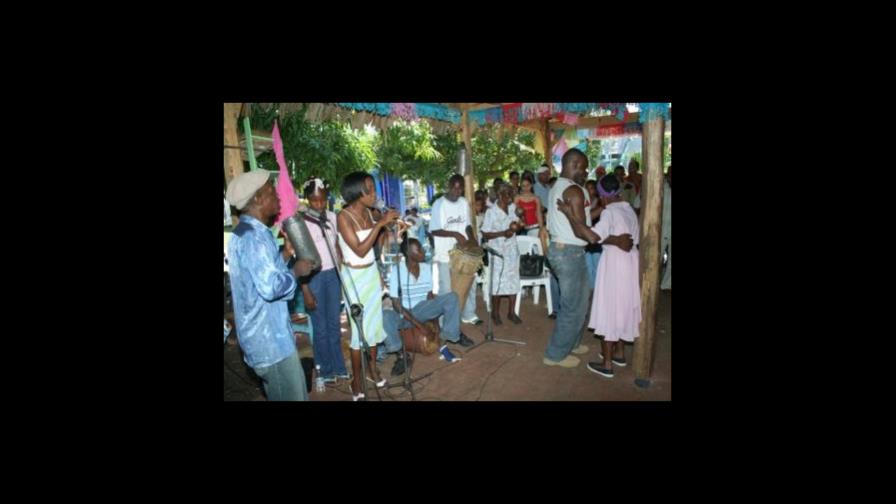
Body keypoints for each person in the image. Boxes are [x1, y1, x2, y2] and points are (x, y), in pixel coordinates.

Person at [225, 170, 314, 401]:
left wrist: (284, 255)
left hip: (264, 340)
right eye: (272, 191)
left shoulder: (247, 233)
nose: (278, 196)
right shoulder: (254, 238)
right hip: (270, 344)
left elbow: (262, 276)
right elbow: (270, 287)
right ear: (258, 198)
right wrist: (296, 271)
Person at [543, 148, 634, 369]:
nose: (586, 172)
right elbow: (581, 232)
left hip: (570, 250)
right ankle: (555, 355)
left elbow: (581, 220)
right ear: (573, 164)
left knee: (580, 303)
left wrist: (598, 209)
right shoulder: (573, 191)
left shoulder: (567, 187)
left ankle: (571, 343)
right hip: (568, 251)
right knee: (573, 306)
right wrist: (612, 239)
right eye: (584, 168)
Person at [556, 174, 641, 378]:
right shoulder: (629, 209)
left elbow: (592, 237)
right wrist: (615, 239)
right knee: (622, 305)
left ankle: (607, 363)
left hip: (614, 264)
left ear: (603, 197)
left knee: (609, 307)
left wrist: (569, 214)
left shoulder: (609, 213)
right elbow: (631, 239)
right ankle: (619, 353)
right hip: (630, 262)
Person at [336, 172, 401, 401]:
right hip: (354, 278)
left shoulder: (369, 213)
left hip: (371, 274)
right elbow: (360, 249)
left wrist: (390, 227)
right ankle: (356, 378)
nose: (375, 194)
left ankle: (372, 370)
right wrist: (381, 224)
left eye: (374, 189)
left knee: (373, 328)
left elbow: (375, 247)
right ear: (357, 193)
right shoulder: (343, 217)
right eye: (370, 190)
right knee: (358, 333)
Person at [381, 238, 467, 375]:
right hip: (403, 313)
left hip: (421, 309)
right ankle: (401, 356)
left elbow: (429, 296)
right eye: (418, 249)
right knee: (385, 316)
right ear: (409, 253)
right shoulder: (397, 271)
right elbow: (397, 306)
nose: (423, 251)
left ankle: (443, 342)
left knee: (452, 297)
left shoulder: (426, 268)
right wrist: (420, 326)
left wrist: (434, 323)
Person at [300, 178, 350, 384]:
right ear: (308, 200)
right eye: (314, 201)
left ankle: (338, 366)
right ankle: (324, 369)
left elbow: (336, 243)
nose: (318, 204)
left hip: (332, 276)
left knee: (334, 325)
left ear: (327, 198)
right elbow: (299, 259)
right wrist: (305, 289)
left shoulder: (332, 217)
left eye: (322, 200)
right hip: (314, 278)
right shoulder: (302, 221)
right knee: (320, 328)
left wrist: (340, 258)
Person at [429, 173, 482, 333]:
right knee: (447, 288)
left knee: (468, 282)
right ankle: (445, 321)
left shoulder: (464, 203)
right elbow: (434, 230)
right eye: (455, 188)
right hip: (445, 253)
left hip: (463, 251)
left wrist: (472, 239)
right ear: (449, 186)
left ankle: (469, 314)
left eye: (460, 189)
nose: (457, 192)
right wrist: (454, 234)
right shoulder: (439, 204)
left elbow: (467, 225)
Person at [481, 182, 523, 325]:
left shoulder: (513, 208)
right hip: (497, 252)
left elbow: (520, 223)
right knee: (497, 283)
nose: (511, 197)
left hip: (512, 250)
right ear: (499, 195)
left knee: (513, 281)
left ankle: (511, 312)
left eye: (511, 193)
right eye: (507, 194)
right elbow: (485, 234)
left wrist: (518, 226)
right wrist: (502, 233)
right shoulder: (491, 212)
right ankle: (495, 313)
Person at [515, 171, 548, 250]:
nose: (526, 188)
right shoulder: (517, 198)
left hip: (534, 227)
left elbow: (539, 214)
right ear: (520, 186)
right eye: (523, 186)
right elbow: (515, 214)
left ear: (531, 185)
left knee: (536, 249)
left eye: (528, 185)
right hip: (521, 229)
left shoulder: (536, 198)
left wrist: (541, 228)